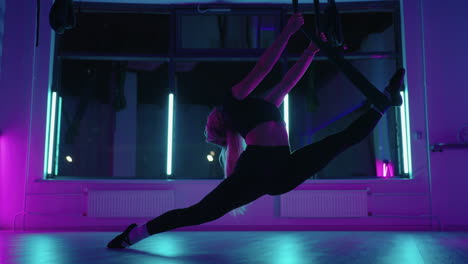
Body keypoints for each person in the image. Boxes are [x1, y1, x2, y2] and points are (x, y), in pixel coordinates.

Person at [107, 13, 406, 249]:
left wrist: (311, 52)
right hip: (259, 170)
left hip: (282, 167)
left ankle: (383, 103)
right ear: (219, 120)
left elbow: (288, 81)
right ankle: (136, 234)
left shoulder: (264, 104)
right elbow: (263, 67)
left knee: (340, 141)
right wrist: (287, 32)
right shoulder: (233, 102)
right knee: (198, 213)